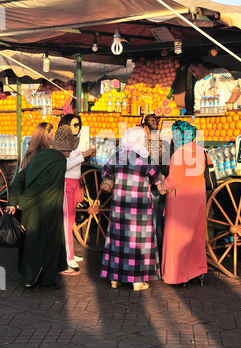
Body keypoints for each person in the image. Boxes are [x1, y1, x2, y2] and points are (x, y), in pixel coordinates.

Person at [6, 126, 79, 290]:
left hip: (31, 209)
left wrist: (14, 201)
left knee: (32, 243)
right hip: (46, 210)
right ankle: (42, 280)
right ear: (67, 148)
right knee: (46, 244)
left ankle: (30, 278)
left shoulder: (43, 155)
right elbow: (44, 187)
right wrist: (22, 202)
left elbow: (21, 177)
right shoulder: (60, 161)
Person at [100, 127, 161, 291]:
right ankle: (136, 281)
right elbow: (157, 179)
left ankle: (114, 279)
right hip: (139, 207)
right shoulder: (146, 159)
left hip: (119, 205)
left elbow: (104, 173)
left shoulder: (117, 156)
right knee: (137, 242)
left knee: (118, 240)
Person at [157, 120, 208, 286]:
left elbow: (173, 181)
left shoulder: (178, 154)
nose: (172, 137)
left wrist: (161, 186)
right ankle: (197, 272)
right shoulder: (200, 150)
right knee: (195, 235)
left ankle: (177, 276)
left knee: (177, 237)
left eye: (174, 134)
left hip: (181, 200)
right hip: (198, 198)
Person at [58, 114, 96, 271]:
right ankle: (67, 257)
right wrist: (83, 156)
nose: (77, 128)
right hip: (66, 183)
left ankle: (70, 253)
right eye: (74, 125)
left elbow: (75, 163)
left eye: (78, 125)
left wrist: (85, 156)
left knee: (71, 220)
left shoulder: (75, 141)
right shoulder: (62, 142)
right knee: (67, 221)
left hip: (75, 183)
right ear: (66, 125)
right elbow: (64, 166)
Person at [140, 114, 172, 265]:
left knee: (145, 228)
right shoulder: (165, 144)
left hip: (147, 188)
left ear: (145, 128)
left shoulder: (142, 145)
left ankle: (148, 261)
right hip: (161, 188)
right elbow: (167, 168)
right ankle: (159, 261)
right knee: (158, 226)